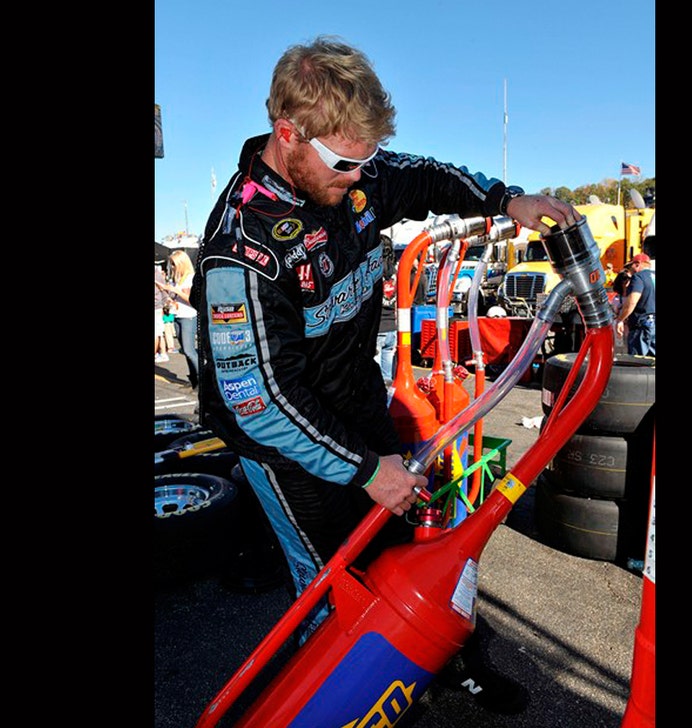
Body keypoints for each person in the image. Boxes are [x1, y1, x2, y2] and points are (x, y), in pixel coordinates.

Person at [191, 35, 580, 715]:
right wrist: (367, 469)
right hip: (285, 447)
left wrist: (505, 199)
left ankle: (450, 659)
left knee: (419, 538)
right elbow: (261, 405)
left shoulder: (356, 169)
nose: (360, 178)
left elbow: (426, 175)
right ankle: (350, 701)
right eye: (347, 163)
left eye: (368, 160)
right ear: (289, 134)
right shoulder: (240, 249)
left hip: (358, 401)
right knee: (333, 588)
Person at [159, 249, 199, 388]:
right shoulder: (179, 278)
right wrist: (170, 298)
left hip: (188, 316)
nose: (172, 267)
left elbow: (191, 300)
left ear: (182, 263)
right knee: (186, 351)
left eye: (174, 264)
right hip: (178, 314)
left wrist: (176, 291)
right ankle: (194, 379)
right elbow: (178, 298)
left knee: (189, 351)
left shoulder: (190, 278)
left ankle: (201, 379)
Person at [615, 253, 655, 356]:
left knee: (638, 361)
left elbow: (632, 301)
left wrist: (621, 320)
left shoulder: (638, 277)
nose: (630, 270)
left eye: (631, 266)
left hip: (642, 325)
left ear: (637, 264)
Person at [155, 264, 172, 363]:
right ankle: (163, 352)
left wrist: (166, 303)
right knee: (159, 333)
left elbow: (164, 291)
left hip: (157, 307)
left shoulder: (157, 273)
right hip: (159, 306)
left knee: (158, 333)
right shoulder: (157, 273)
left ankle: (163, 353)